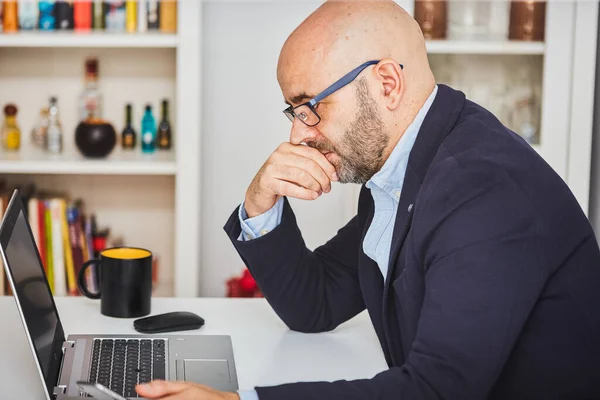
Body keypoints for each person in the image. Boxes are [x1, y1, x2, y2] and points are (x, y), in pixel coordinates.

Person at [136, 1, 600, 399]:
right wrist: (261, 202)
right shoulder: (406, 168)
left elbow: (436, 391)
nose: (298, 134)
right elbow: (314, 304)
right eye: (294, 112)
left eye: (310, 106)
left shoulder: (481, 190)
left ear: (387, 84)